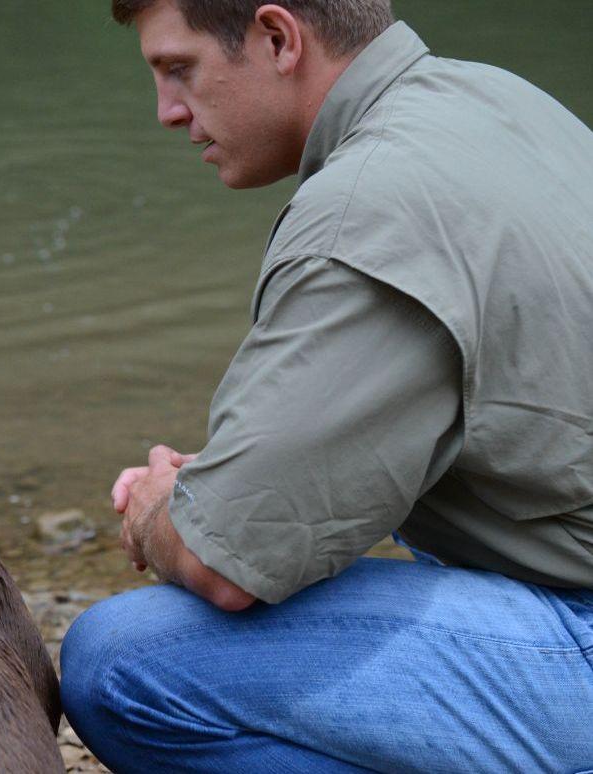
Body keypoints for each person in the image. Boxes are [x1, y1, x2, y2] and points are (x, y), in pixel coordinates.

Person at [59, 1, 593, 771]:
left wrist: (157, 513)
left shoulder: (368, 210)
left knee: (126, 662)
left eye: (181, 70)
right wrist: (227, 490)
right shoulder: (496, 99)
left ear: (278, 39)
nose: (168, 112)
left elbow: (227, 564)